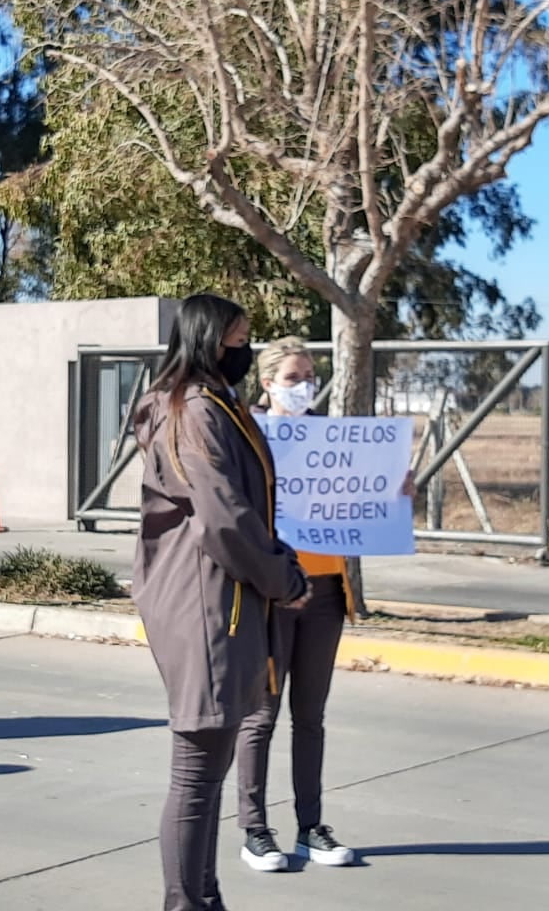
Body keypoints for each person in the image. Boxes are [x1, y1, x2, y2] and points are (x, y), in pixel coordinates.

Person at [133, 294, 309, 911]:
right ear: (210, 342)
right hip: (209, 604)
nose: (247, 349)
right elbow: (223, 520)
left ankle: (204, 898)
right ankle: (187, 902)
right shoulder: (194, 411)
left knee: (207, 771)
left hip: (221, 599)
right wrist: (282, 578)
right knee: (197, 773)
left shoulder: (211, 406)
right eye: (239, 339)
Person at [235, 336, 358, 872]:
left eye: (310, 376)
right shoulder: (253, 438)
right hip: (277, 590)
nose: (305, 385)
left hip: (328, 588)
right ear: (267, 383)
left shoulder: (335, 438)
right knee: (261, 715)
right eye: (292, 378)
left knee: (311, 716)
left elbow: (361, 497)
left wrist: (393, 493)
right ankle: (255, 829)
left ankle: (311, 826)